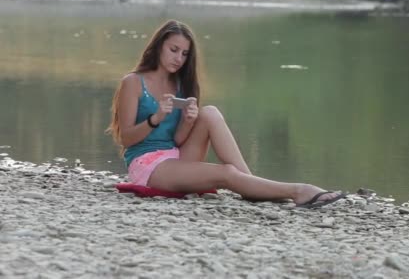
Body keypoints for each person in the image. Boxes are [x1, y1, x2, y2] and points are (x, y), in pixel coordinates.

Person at [107, 19, 345, 208]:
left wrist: (189, 121)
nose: (179, 58)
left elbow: (177, 141)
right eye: (174, 50)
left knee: (209, 112)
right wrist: (155, 119)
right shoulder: (133, 82)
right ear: (159, 46)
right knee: (225, 173)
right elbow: (126, 139)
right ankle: (298, 191)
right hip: (147, 166)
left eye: (185, 54)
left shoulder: (182, 84)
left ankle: (250, 184)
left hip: (173, 157)